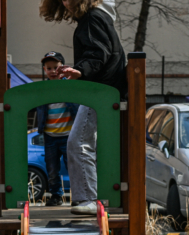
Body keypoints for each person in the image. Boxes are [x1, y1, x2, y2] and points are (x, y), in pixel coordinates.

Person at [40, 0, 127, 215]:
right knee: (83, 143)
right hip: (104, 91)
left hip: (101, 91)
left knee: (78, 142)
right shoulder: (97, 17)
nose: (66, 2)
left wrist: (81, 71)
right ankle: (87, 197)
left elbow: (98, 52)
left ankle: (89, 198)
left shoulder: (93, 18)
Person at [35, 51, 79, 207]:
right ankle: (56, 195)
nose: (52, 71)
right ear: (45, 69)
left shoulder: (69, 86)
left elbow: (77, 105)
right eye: (49, 68)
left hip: (69, 135)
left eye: (56, 68)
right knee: (52, 169)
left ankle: (77, 196)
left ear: (63, 68)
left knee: (72, 167)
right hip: (50, 135)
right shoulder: (43, 89)